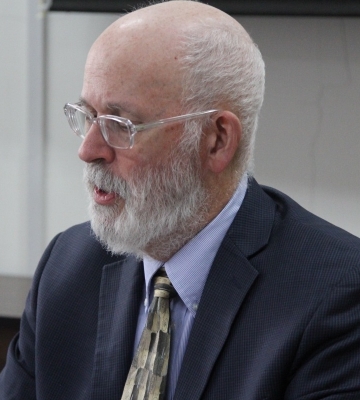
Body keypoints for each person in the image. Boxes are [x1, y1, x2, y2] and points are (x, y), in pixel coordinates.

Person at [1, 1, 360, 399]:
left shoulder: (337, 295)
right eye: (87, 116)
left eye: (120, 125)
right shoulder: (68, 268)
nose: (88, 150)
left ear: (217, 140)